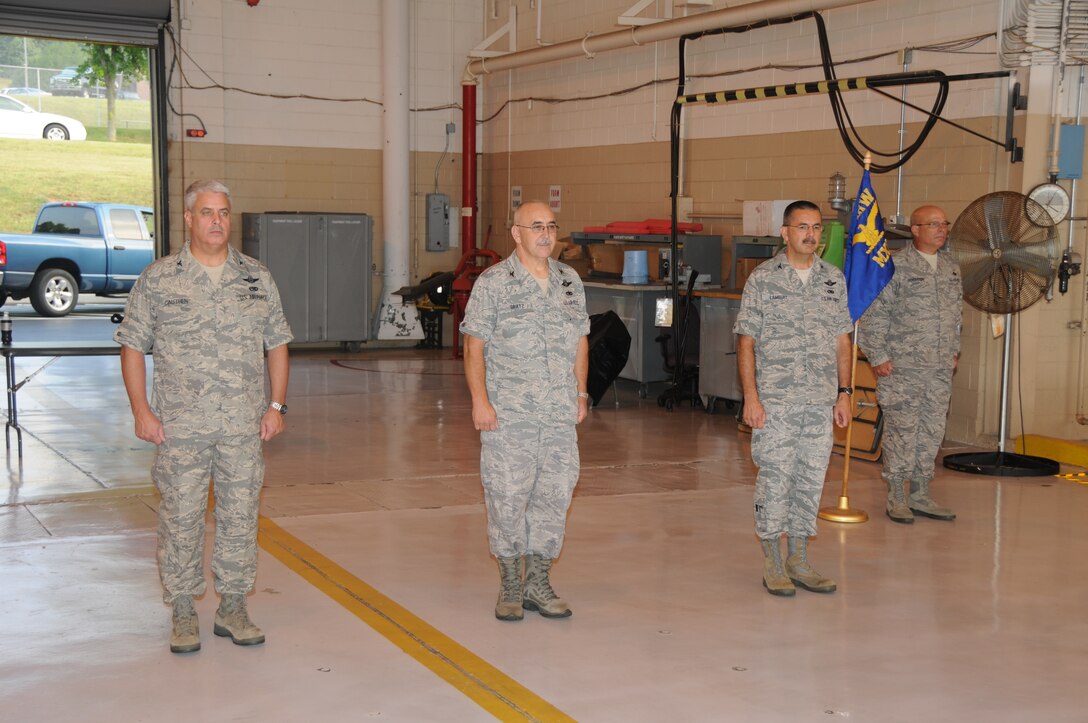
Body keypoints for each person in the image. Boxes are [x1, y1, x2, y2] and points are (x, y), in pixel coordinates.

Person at [116, 179, 293, 653]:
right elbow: (132, 347)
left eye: (224, 213)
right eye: (208, 212)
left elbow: (276, 343)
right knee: (181, 516)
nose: (217, 221)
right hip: (180, 428)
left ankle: (233, 607)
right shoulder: (159, 279)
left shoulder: (256, 277)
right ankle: (182, 609)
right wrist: (141, 411)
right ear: (189, 219)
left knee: (240, 516)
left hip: (242, 425)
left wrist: (276, 406)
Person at [460, 200, 590, 621]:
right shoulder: (494, 283)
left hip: (557, 415)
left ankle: (538, 581)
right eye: (536, 227)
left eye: (552, 226)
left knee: (553, 497)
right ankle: (511, 584)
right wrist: (480, 401)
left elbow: (580, 340)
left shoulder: (569, 281)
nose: (546, 234)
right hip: (509, 415)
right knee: (507, 497)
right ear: (516, 234)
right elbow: (474, 345)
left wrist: (581, 394)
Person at [735, 200, 853, 597]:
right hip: (777, 403)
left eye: (817, 228)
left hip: (820, 402)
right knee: (775, 479)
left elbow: (842, 341)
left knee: (810, 479)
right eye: (802, 227)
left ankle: (799, 559)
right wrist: (751, 398)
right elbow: (746, 343)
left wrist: (845, 393)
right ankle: (773, 560)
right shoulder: (763, 280)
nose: (811, 235)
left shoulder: (833, 279)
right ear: (785, 233)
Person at [860, 205, 962, 524]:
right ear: (914, 230)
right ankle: (897, 496)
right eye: (933, 224)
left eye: (944, 223)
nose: (941, 229)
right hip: (902, 367)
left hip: (939, 368)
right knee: (902, 433)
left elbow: (956, 315)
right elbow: (875, 315)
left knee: (932, 431)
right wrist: (877, 355)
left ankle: (920, 493)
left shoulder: (950, 267)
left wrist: (954, 351)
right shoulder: (896, 266)